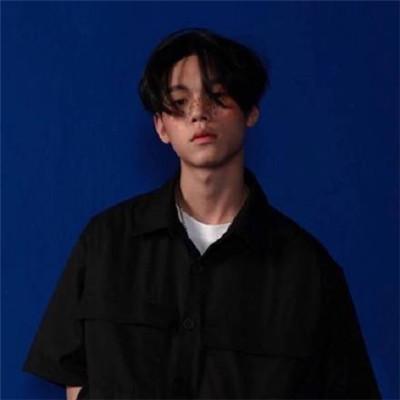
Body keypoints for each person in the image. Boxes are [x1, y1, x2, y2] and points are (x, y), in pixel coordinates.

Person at [23, 28, 381, 400]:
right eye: (180, 101)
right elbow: (74, 375)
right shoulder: (106, 243)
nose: (199, 113)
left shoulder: (308, 270)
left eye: (218, 95)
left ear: (250, 111)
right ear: (161, 126)